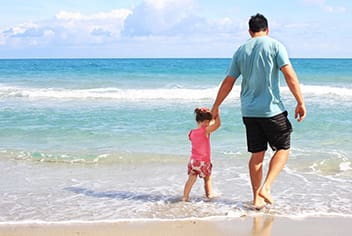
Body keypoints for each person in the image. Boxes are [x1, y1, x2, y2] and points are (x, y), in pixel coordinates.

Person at [211, 13, 306, 209]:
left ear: (250, 31)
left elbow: (229, 81)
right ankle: (267, 187)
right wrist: (300, 101)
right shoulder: (275, 45)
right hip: (271, 110)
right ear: (267, 30)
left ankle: (256, 199)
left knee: (257, 155)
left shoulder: (240, 51)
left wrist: (216, 106)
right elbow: (289, 75)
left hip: (249, 112)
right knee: (283, 148)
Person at [182, 107, 221, 202]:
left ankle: (185, 197)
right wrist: (217, 114)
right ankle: (209, 195)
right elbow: (217, 125)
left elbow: (208, 126)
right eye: (209, 121)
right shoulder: (205, 131)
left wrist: (211, 117)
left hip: (193, 161)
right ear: (207, 121)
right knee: (207, 179)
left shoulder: (191, 133)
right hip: (204, 162)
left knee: (191, 180)